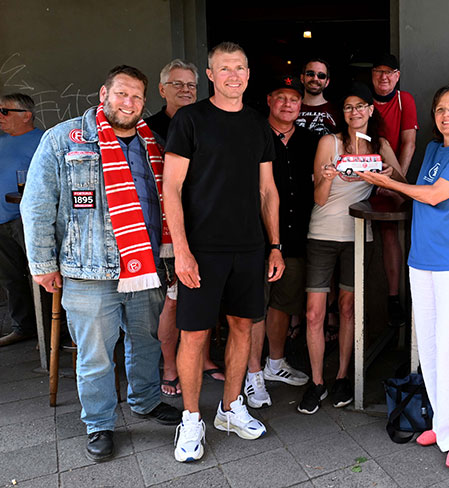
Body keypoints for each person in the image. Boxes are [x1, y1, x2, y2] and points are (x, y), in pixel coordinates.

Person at [21, 66, 182, 462]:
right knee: (95, 355)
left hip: (145, 266)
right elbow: (38, 204)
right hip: (87, 270)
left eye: (137, 97)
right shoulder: (63, 139)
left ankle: (144, 400)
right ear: (104, 93)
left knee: (146, 343)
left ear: (145, 102)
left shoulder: (154, 143)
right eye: (121, 94)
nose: (128, 103)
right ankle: (99, 423)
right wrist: (43, 263)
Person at [163, 42, 283, 463]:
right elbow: (171, 188)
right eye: (224, 68)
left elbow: (268, 191)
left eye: (240, 68)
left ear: (248, 74)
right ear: (210, 76)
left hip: (249, 248)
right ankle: (192, 418)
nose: (234, 75)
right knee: (194, 335)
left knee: (243, 328)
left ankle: (231, 408)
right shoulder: (190, 121)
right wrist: (182, 250)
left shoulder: (257, 124)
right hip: (201, 250)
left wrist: (275, 246)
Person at [359, 85, 449, 470]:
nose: (446, 115)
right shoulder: (433, 150)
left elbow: (434, 196)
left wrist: (389, 183)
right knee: (428, 347)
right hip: (423, 259)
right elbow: (413, 188)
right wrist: (375, 170)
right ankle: (441, 425)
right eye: (440, 109)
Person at [298, 82, 405, 416]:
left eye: (361, 106)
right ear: (341, 113)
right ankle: (316, 382)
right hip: (322, 233)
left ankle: (343, 375)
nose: (355, 112)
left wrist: (387, 177)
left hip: (359, 234)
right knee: (314, 313)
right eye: (348, 107)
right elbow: (317, 198)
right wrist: (327, 177)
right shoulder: (329, 142)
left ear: (371, 110)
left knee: (347, 309)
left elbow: (404, 193)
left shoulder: (380, 145)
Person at [143, 59, 223, 398]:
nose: (186, 90)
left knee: (202, 300)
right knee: (173, 303)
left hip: (204, 225)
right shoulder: (148, 129)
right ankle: (170, 365)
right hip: (165, 229)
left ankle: (203, 358)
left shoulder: (207, 120)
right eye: (178, 84)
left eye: (191, 85)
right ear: (162, 90)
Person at [244, 75, 315, 409]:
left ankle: (275, 363)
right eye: (282, 98)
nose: (288, 105)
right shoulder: (253, 134)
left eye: (295, 100)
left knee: (283, 304)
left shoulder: (312, 140)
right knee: (255, 305)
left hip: (296, 235)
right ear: (269, 99)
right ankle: (253, 374)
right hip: (257, 238)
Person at [370, 53, 418, 327]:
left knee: (390, 233)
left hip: (394, 173)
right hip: (362, 174)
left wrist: (396, 181)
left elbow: (409, 142)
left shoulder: (404, 100)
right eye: (378, 71)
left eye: (389, 72)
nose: (384, 77)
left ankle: (393, 297)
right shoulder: (364, 100)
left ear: (397, 76)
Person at [0, 93, 42, 347]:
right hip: (2, 219)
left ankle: (50, 331)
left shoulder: (42, 141)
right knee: (10, 277)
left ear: (26, 115)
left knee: (41, 275)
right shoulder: (2, 141)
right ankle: (23, 327)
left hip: (26, 219)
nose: (0, 116)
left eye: (5, 111)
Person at [296, 58, 339, 136]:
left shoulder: (338, 111)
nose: (315, 78)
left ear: (327, 82)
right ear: (302, 78)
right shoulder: (290, 108)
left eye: (321, 76)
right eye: (310, 74)